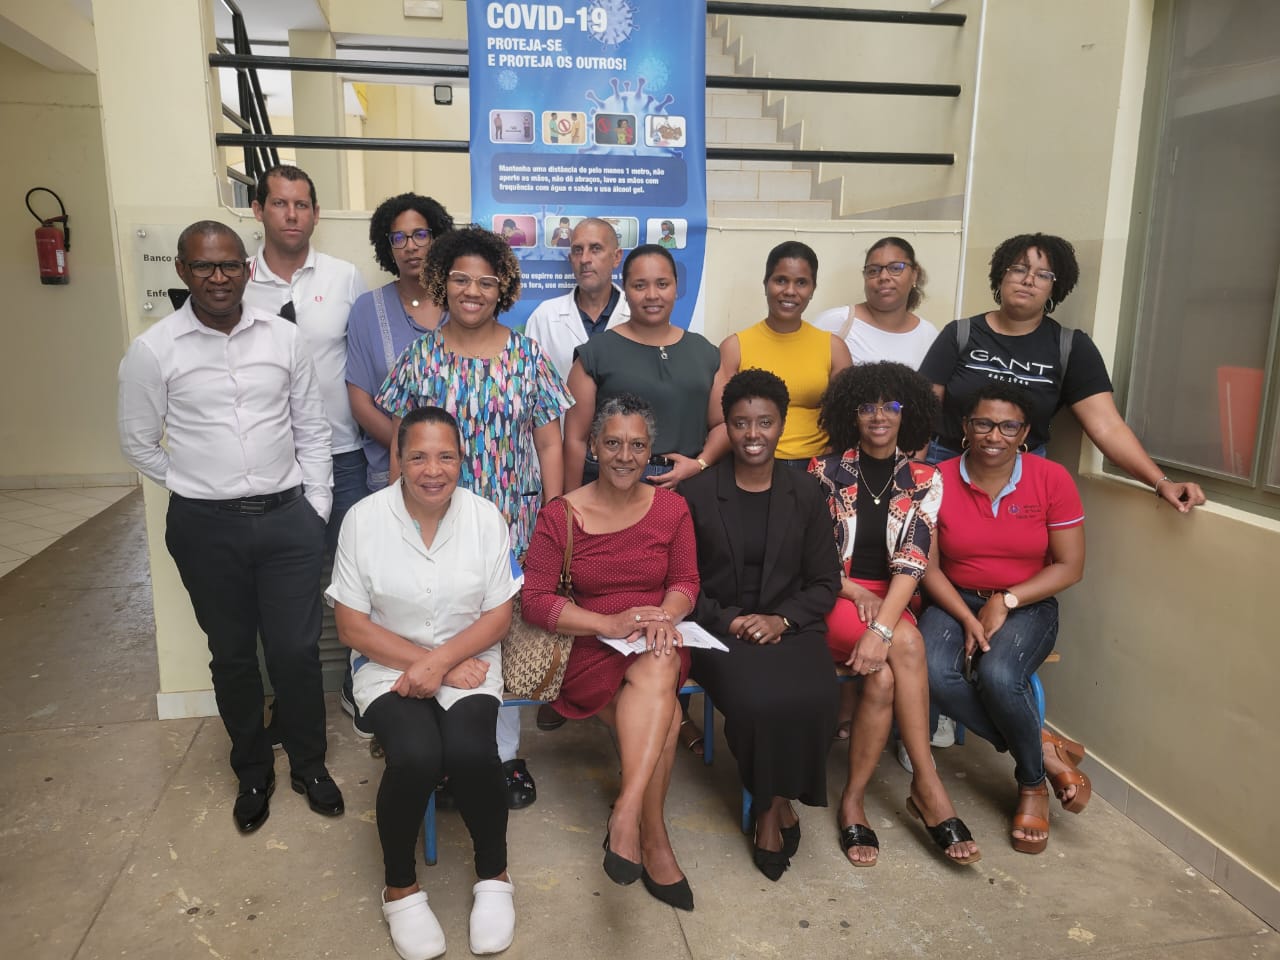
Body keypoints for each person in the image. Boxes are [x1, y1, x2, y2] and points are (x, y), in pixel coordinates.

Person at [117, 220, 342, 833]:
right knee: (234, 655)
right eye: (203, 266)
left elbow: (311, 427)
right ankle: (252, 770)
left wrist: (316, 507)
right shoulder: (154, 350)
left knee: (295, 652)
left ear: (247, 268)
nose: (218, 278)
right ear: (183, 271)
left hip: (288, 521)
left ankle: (310, 765)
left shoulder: (283, 337)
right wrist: (194, 483)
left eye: (230, 265)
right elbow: (138, 442)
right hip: (205, 528)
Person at [377, 225, 571, 809]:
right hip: (434, 520)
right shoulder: (420, 357)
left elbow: (550, 444)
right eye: (460, 279)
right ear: (442, 282)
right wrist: (395, 521)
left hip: (511, 521)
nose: (472, 291)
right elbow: (400, 447)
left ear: (502, 289)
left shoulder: (527, 356)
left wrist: (552, 521)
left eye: (486, 282)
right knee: (436, 627)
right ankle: (442, 754)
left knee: (499, 635)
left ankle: (502, 758)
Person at [328, 407, 518, 959]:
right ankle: (400, 888)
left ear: (462, 460)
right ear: (398, 459)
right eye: (418, 456)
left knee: (471, 750)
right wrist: (434, 664)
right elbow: (351, 626)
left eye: (445, 456)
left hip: (470, 659)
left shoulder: (485, 517)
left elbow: (499, 615)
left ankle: (494, 875)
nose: (433, 470)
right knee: (415, 755)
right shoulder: (363, 520)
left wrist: (445, 662)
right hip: (387, 663)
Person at [521, 394, 700, 910]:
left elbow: (686, 581)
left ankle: (627, 812)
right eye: (614, 443)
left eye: (637, 446)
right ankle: (651, 834)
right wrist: (608, 623)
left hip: (655, 641)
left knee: (661, 659)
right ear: (595, 447)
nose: (625, 456)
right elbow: (536, 601)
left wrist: (664, 615)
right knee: (667, 717)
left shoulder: (671, 508)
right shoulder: (561, 515)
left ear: (650, 451)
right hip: (588, 647)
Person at [811, 361, 980, 867]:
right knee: (908, 643)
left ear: (909, 414)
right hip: (835, 596)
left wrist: (881, 625)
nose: (879, 416)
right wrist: (853, 594)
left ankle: (853, 801)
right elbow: (811, 555)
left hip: (893, 597)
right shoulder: (824, 471)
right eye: (867, 406)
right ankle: (928, 785)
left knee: (883, 678)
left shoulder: (925, 479)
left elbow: (912, 560)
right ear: (852, 413)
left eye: (891, 406)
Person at [683, 370, 841, 881]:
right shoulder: (698, 493)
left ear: (782, 424)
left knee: (819, 696)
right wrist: (732, 620)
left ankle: (775, 799)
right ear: (726, 427)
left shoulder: (806, 492)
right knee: (756, 704)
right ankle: (771, 811)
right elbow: (683, 584)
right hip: (717, 629)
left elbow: (825, 581)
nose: (753, 434)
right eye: (741, 423)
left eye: (765, 422)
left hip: (790, 624)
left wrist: (781, 619)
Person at [918, 232, 1205, 512]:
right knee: (930, 543)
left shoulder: (1070, 347)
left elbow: (1106, 426)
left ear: (1055, 288)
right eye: (1019, 269)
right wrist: (912, 476)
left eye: (1043, 275)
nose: (1028, 280)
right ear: (1001, 276)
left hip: (1022, 474)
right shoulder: (961, 334)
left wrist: (1161, 482)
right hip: (947, 464)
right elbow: (923, 413)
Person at [920, 383, 1089, 855]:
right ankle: (1043, 749)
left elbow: (1070, 567)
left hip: (1028, 602)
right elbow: (928, 568)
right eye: (983, 423)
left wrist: (1007, 600)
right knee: (930, 671)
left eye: (1008, 426)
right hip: (952, 598)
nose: (994, 436)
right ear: (965, 427)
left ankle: (1031, 784)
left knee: (999, 675)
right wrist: (966, 615)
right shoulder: (935, 479)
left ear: (1025, 432)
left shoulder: (1051, 478)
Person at [243, 164, 370, 551]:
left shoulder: (344, 277)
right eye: (279, 203)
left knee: (349, 566)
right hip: (265, 459)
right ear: (258, 210)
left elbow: (363, 363)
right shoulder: (236, 281)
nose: (291, 215)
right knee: (280, 569)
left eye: (301, 205)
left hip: (342, 455)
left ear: (316, 214)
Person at [563, 244, 722, 492]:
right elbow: (575, 439)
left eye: (662, 284)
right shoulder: (595, 353)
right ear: (625, 290)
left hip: (689, 487)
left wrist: (699, 463)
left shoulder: (704, 351)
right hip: (615, 488)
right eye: (639, 286)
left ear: (676, 287)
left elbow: (722, 424)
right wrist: (571, 504)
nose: (652, 295)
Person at [346, 193, 455, 492]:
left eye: (420, 235)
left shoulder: (463, 304)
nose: (410, 246)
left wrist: (446, 458)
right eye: (398, 238)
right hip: (390, 473)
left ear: (437, 238)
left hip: (464, 471)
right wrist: (415, 455)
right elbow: (360, 404)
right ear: (388, 247)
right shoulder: (367, 310)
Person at [711, 241, 852, 468]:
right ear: (766, 283)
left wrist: (823, 466)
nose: (790, 291)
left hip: (817, 467)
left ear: (812, 289)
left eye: (801, 283)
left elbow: (845, 421)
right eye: (781, 280)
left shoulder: (834, 348)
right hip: (751, 466)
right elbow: (719, 420)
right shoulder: (734, 346)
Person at [525, 217, 631, 385]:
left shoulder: (637, 313)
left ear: (616, 257)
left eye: (595, 249)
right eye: (577, 250)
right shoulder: (544, 317)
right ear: (570, 258)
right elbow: (529, 385)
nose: (584, 259)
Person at [812, 236, 938, 369]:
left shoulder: (928, 334)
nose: (883, 277)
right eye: (873, 270)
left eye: (895, 268)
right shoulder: (834, 322)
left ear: (914, 274)